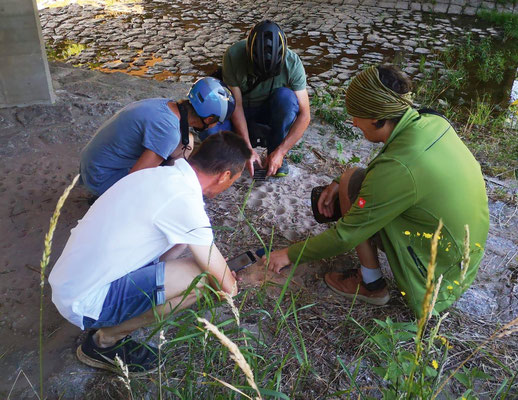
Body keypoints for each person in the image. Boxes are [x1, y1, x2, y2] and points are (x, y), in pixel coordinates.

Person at [266, 65, 489, 316]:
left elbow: (345, 236)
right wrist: (340, 180)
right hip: (465, 258)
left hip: (440, 284)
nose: (353, 122)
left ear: (376, 117)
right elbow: (389, 170)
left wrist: (288, 254)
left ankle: (371, 286)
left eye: (356, 115)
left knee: (356, 198)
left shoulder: (399, 167)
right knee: (351, 178)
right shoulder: (429, 121)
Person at [49, 132, 251, 374]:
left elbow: (179, 245)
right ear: (225, 176)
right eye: (234, 180)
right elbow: (227, 287)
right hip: (86, 302)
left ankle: (110, 326)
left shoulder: (159, 175)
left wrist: (216, 267)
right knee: (202, 280)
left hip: (70, 284)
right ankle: (104, 342)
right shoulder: (185, 200)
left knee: (186, 251)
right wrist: (224, 277)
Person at [80, 77, 236, 197]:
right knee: (161, 193)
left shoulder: (165, 106)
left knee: (186, 142)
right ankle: (102, 200)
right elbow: (134, 180)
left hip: (93, 166)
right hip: (101, 179)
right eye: (216, 122)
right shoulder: (168, 132)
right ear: (209, 119)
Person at [203, 20, 310, 178]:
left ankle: (274, 153)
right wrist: (247, 148)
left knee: (287, 98)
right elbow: (236, 106)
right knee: (209, 132)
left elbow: (305, 114)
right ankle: (240, 148)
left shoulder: (292, 63)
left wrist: (281, 151)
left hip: (268, 113)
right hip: (241, 111)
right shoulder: (233, 55)